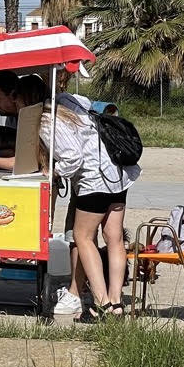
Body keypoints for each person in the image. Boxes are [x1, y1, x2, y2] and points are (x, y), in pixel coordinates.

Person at [43, 91, 140, 321]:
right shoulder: (74, 101)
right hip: (118, 173)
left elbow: (72, 158)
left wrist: (53, 174)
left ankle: (102, 303)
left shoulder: (48, 117)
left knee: (83, 237)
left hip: (93, 180)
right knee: (114, 238)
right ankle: (116, 304)